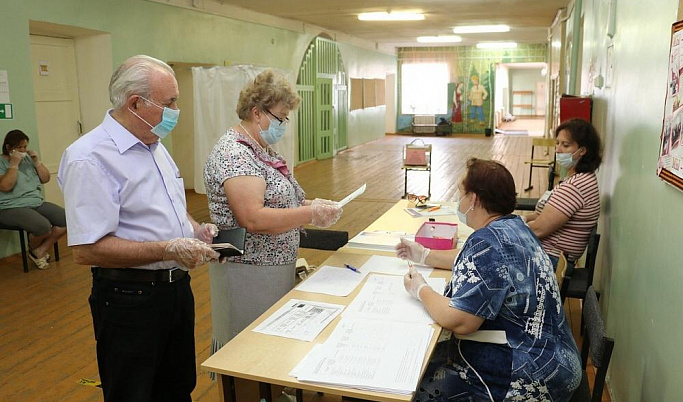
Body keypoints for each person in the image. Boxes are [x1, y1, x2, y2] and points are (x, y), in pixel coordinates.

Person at [58, 55, 220, 402]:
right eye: (170, 102)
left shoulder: (154, 146)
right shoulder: (90, 157)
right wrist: (166, 249)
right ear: (135, 103)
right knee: (133, 392)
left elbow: (167, 210)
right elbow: (87, 249)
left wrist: (195, 230)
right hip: (129, 299)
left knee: (177, 388)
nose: (177, 109)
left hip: (176, 291)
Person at [399, 158, 581, 402]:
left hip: (527, 375)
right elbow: (478, 263)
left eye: (461, 194)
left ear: (473, 199)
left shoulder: (487, 243)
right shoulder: (514, 227)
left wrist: (420, 289)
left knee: (415, 381)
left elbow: (461, 321)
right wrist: (425, 255)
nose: (459, 201)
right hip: (555, 358)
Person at [203, 69, 342, 354]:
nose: (283, 125)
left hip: (273, 265)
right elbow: (253, 217)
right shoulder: (235, 154)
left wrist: (315, 207)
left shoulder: (261, 149)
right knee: (248, 348)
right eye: (280, 117)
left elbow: (281, 201)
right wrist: (309, 214)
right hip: (247, 269)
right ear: (257, 113)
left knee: (271, 344)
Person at [522, 118, 602, 274]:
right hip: (548, 255)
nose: (558, 150)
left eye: (565, 145)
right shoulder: (579, 178)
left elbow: (539, 229)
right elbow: (541, 214)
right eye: (557, 143)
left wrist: (506, 230)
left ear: (583, 151)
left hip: (550, 261)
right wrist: (521, 219)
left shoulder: (575, 187)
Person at [0, 130, 67, 269]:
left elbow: (45, 179)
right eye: (19, 147)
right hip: (11, 206)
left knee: (67, 220)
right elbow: (5, 186)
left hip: (35, 202)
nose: (23, 150)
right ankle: (36, 250)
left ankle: (39, 251)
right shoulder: (1, 162)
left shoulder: (27, 160)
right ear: (8, 147)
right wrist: (13, 165)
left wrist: (36, 161)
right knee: (42, 226)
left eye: (25, 147)